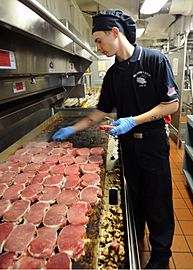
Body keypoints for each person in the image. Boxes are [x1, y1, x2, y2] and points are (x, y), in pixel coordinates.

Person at [52, 9, 179, 269]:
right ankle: (139, 240)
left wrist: (133, 120)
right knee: (136, 200)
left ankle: (160, 258)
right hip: (128, 147)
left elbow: (171, 105)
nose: (98, 48)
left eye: (99, 40)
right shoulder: (112, 75)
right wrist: (72, 130)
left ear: (114, 32)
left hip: (153, 144)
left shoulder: (155, 60)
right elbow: (99, 112)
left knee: (158, 202)